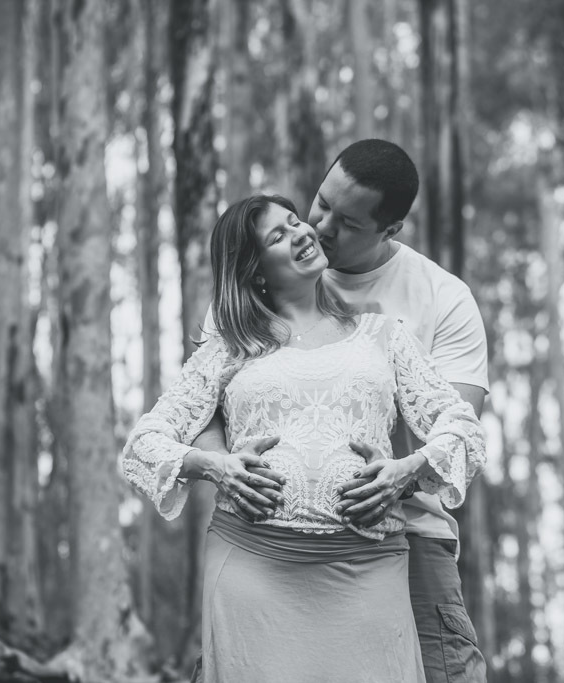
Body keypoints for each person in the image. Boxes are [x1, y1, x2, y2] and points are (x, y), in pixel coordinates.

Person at [121, 193, 486, 683]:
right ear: (254, 271)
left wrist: (407, 470)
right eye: (279, 235)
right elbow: (144, 442)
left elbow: (461, 426)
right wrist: (214, 465)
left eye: (296, 222)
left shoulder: (385, 336)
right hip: (253, 567)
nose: (302, 232)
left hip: (368, 568)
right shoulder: (231, 345)